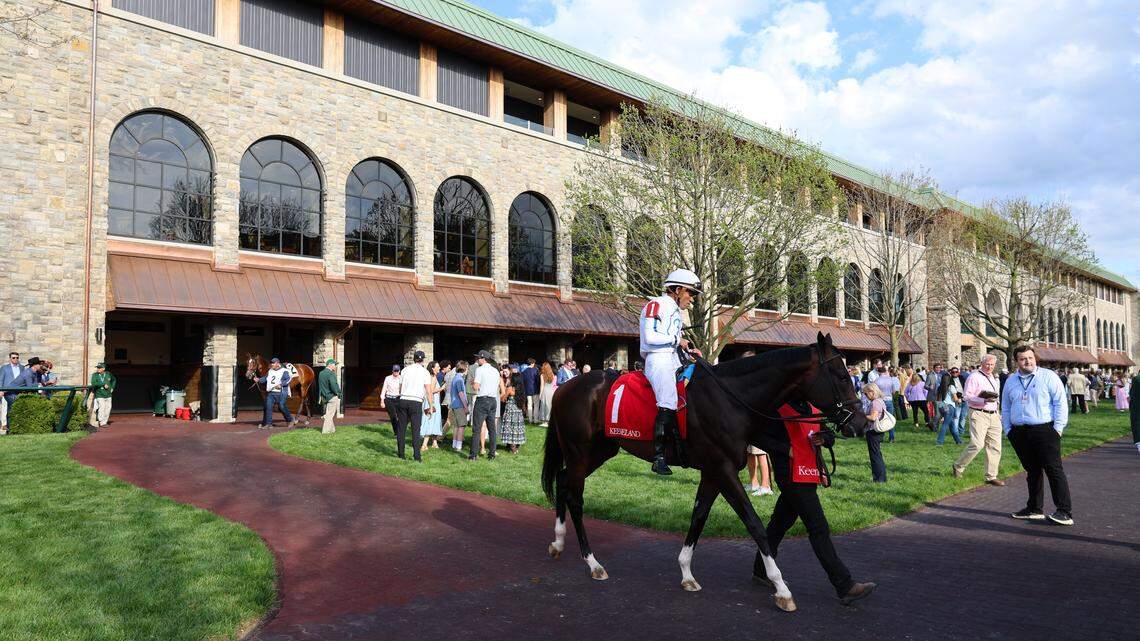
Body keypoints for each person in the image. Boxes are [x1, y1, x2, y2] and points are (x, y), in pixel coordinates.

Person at [757, 400, 876, 605]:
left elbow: (827, 433)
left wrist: (825, 438)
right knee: (818, 527)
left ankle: (760, 570)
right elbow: (759, 436)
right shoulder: (779, 407)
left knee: (779, 524)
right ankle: (844, 585)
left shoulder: (812, 407)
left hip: (810, 472)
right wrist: (786, 449)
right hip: (791, 476)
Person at [640, 268, 703, 475]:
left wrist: (687, 350)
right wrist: (678, 340)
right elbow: (650, 338)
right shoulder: (655, 305)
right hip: (657, 360)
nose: (692, 299)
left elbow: (673, 342)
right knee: (668, 400)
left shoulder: (675, 311)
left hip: (672, 359)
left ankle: (683, 446)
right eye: (690, 293)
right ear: (677, 289)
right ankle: (658, 457)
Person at [1002, 345, 1073, 525]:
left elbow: (1060, 403)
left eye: (1030, 358)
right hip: (1019, 432)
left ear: (1035, 358)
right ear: (1016, 361)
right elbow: (1006, 406)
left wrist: (1058, 428)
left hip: (1045, 430)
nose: (1028, 361)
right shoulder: (1011, 380)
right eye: (1023, 359)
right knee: (1032, 471)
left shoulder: (1048, 376)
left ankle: (1064, 511)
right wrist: (1008, 429)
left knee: (1053, 469)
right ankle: (1034, 508)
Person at [954, 354, 1005, 486]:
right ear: (982, 363)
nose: (990, 367)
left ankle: (991, 476)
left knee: (995, 446)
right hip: (979, 413)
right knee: (977, 444)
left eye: (992, 365)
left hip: (993, 414)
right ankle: (958, 466)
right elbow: (966, 396)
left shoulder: (993, 377)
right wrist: (983, 400)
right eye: (987, 364)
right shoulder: (974, 377)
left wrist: (998, 411)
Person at [396, 351, 432, 462]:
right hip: (416, 401)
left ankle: (401, 454)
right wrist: (431, 405)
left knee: (401, 428)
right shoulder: (425, 372)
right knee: (416, 430)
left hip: (403, 399)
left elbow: (400, 387)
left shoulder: (405, 370)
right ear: (423, 360)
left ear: (414, 359)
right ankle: (417, 456)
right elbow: (428, 391)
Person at [469, 349, 500, 460]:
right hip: (493, 400)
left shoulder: (480, 370)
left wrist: (472, 383)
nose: (477, 359)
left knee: (476, 429)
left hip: (482, 400)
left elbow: (476, 387)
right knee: (492, 429)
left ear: (483, 359)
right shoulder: (496, 371)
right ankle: (492, 454)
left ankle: (473, 455)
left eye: (479, 358)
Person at [860, 383, 888, 483]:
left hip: (873, 431)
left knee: (875, 456)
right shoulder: (880, 401)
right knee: (877, 455)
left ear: (872, 392)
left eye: (866, 394)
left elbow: (873, 417)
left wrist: (862, 416)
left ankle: (878, 479)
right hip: (878, 431)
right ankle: (881, 478)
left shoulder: (875, 402)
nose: (865, 396)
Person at [258, 357, 293, 430]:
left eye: (273, 363)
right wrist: (258, 380)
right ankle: (269, 424)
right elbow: (265, 378)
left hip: (281, 392)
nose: (271, 364)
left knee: (281, 406)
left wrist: (281, 384)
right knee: (268, 406)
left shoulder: (284, 371)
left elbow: (288, 379)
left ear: (277, 363)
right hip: (271, 392)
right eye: (271, 363)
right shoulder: (270, 371)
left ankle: (290, 420)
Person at [499, 370, 526, 453]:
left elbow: (503, 399)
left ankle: (512, 446)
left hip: (510, 410)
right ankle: (516, 444)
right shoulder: (522, 389)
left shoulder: (510, 388)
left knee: (510, 427)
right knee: (517, 427)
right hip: (518, 411)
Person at [935, 368, 964, 446]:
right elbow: (955, 399)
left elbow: (938, 399)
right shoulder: (951, 387)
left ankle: (958, 441)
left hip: (941, 406)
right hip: (949, 407)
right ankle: (939, 442)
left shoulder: (939, 387)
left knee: (951, 425)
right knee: (945, 425)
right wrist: (960, 400)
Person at [420, 361, 443, 450]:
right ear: (433, 368)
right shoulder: (433, 377)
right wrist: (441, 388)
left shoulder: (430, 377)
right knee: (430, 421)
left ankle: (434, 442)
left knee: (434, 422)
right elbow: (431, 391)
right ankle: (424, 445)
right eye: (437, 367)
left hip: (430, 401)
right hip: (432, 402)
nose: (439, 368)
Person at [447, 360, 469, 450]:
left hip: (454, 405)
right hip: (460, 405)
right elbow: (461, 394)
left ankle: (454, 444)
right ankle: (458, 446)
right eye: (467, 368)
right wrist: (466, 407)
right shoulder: (460, 379)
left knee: (456, 426)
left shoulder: (455, 378)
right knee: (461, 426)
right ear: (464, 368)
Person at [0, 352, 24, 434]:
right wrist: (1, 390)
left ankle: (17, 428)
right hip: (8, 391)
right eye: (13, 358)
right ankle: (9, 429)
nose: (15, 359)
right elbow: (1, 380)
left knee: (18, 408)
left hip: (19, 391)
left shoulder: (22, 367)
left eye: (17, 357)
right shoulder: (4, 368)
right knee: (11, 406)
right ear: (10, 358)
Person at [317, 359, 342, 434]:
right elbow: (334, 385)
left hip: (324, 396)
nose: (335, 366)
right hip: (331, 396)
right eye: (334, 365)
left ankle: (332, 430)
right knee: (329, 415)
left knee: (329, 413)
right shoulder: (331, 374)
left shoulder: (321, 373)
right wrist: (339, 393)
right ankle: (325, 431)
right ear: (330, 365)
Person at [876, 372, 899, 443]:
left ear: (879, 373)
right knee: (890, 419)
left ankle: (880, 437)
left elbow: (875, 392)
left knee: (880, 419)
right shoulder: (890, 380)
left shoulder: (877, 380)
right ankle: (891, 438)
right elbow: (894, 391)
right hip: (889, 400)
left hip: (880, 401)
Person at [380, 365, 402, 436]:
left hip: (398, 398)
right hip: (389, 399)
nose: (396, 372)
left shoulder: (401, 378)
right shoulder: (388, 378)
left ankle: (400, 430)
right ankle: (396, 432)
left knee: (401, 416)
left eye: (397, 371)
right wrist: (382, 400)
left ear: (399, 371)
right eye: (395, 371)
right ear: (392, 371)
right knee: (393, 416)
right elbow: (384, 389)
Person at [537, 361, 555, 427]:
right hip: (551, 391)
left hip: (545, 391)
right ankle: (549, 420)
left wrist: (540, 395)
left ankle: (545, 421)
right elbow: (553, 384)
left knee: (544, 405)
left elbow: (542, 385)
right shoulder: (552, 374)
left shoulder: (542, 375)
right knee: (550, 406)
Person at [521, 357, 540, 422]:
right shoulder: (536, 370)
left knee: (529, 405)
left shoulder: (524, 372)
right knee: (536, 405)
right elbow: (538, 381)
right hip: (535, 390)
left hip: (528, 390)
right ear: (532, 363)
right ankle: (536, 420)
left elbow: (523, 382)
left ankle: (530, 419)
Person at [1130, 371, 1140, 454]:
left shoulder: (1136, 379)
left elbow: (1132, 393)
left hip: (1137, 405)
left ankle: (1139, 445)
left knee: (1137, 424)